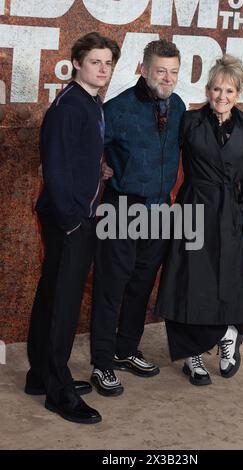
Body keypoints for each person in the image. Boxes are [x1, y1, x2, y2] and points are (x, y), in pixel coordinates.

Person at [25, 32, 120, 423]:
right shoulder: (69, 107)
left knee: (53, 295)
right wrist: (71, 222)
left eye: (108, 63)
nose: (103, 69)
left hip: (76, 213)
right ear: (77, 63)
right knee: (62, 306)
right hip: (70, 220)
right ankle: (58, 391)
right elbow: (55, 166)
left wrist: (98, 171)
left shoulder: (88, 101)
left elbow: (76, 157)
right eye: (96, 62)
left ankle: (40, 375)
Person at [155, 54, 243, 386]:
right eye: (216, 89)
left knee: (227, 280)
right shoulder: (190, 121)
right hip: (193, 206)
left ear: (238, 93)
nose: (222, 97)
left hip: (229, 212)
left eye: (229, 91)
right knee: (191, 282)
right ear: (208, 90)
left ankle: (229, 334)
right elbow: (163, 150)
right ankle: (193, 355)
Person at [90, 39, 186, 396]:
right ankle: (101, 364)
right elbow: (89, 144)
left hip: (160, 208)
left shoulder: (177, 106)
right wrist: (98, 164)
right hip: (122, 207)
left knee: (142, 283)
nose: (168, 77)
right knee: (111, 286)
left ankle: (125, 349)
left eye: (174, 71)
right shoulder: (116, 109)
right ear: (143, 70)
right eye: (160, 70)